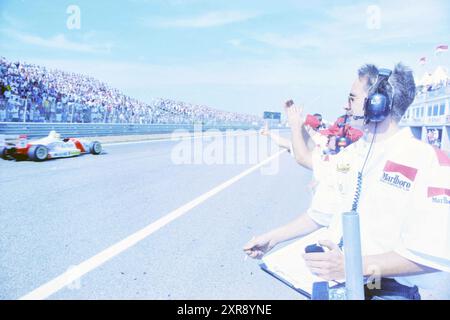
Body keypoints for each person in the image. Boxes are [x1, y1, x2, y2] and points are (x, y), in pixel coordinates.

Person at [244, 63, 450, 300]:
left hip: (387, 292)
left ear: (377, 103)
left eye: (352, 98)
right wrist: (272, 239)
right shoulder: (350, 156)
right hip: (337, 284)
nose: (345, 106)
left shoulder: (430, 162)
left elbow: (430, 256)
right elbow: (320, 214)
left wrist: (351, 266)